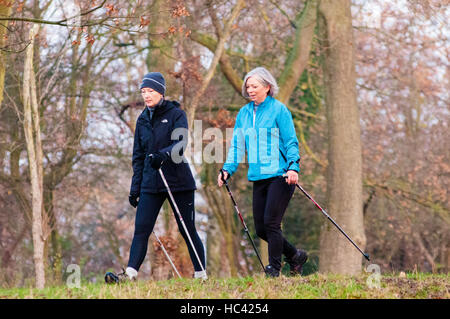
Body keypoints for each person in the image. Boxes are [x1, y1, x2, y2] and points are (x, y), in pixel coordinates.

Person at [109, 72, 207, 282]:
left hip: (178, 181)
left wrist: (162, 156)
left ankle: (201, 274)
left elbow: (180, 145)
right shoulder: (142, 119)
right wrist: (135, 188)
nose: (146, 95)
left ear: (161, 92)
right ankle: (130, 274)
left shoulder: (175, 114)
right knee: (142, 228)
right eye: (143, 92)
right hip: (150, 183)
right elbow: (138, 157)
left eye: (150, 91)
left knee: (186, 228)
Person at [217, 67, 308, 277]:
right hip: (259, 176)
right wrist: (227, 170)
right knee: (260, 229)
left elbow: (291, 141)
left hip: (280, 174)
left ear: (267, 87)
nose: (250, 90)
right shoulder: (244, 113)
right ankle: (295, 256)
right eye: (248, 86)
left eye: (255, 86)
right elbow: (238, 146)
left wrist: (294, 166)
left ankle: (273, 269)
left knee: (271, 223)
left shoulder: (279, 110)